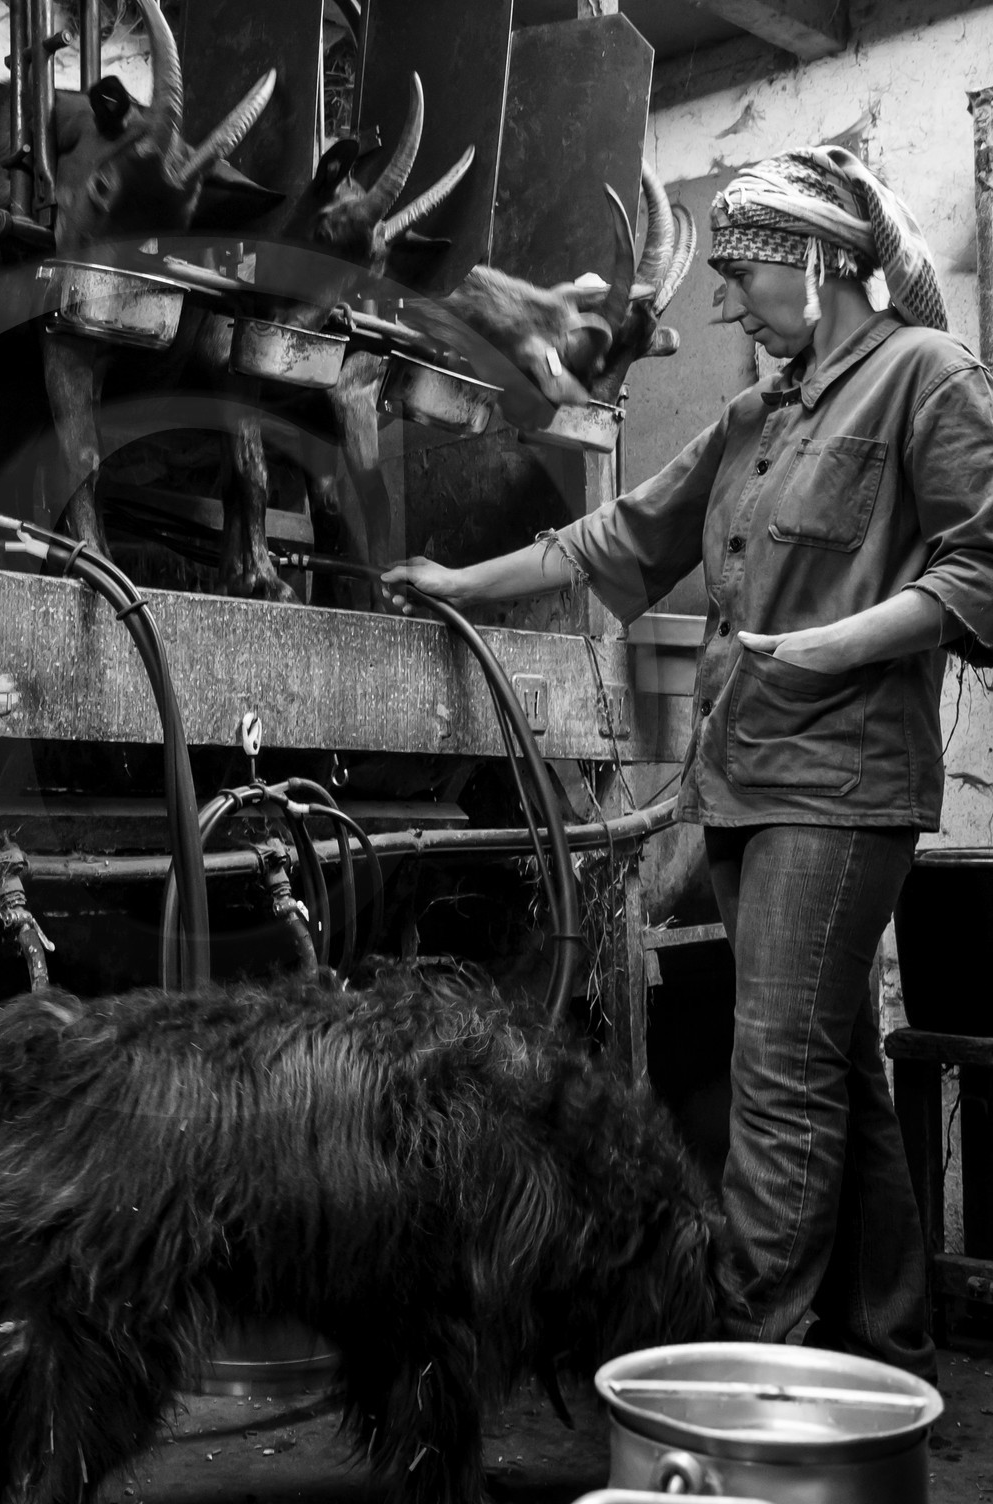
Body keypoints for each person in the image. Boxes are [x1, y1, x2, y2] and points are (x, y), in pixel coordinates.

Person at [384, 146, 993, 1380]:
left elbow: (982, 565)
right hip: (742, 779)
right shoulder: (754, 418)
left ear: (818, 262)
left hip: (841, 785)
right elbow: (615, 537)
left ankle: (743, 1360)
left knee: (773, 1072)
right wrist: (460, 582)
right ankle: (885, 1337)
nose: (722, 305)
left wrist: (830, 647)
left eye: (740, 275)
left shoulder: (926, 378)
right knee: (834, 1064)